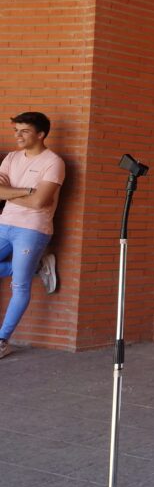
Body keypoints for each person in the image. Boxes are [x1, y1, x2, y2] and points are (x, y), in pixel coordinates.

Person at [0, 112, 63, 359]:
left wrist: (11, 193)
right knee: (22, 275)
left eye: (24, 131)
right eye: (16, 130)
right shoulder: (11, 158)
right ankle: (37, 268)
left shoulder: (53, 162)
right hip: (4, 223)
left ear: (41, 134)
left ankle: (2, 341)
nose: (18, 136)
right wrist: (27, 190)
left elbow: (40, 202)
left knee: (20, 286)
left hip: (32, 229)